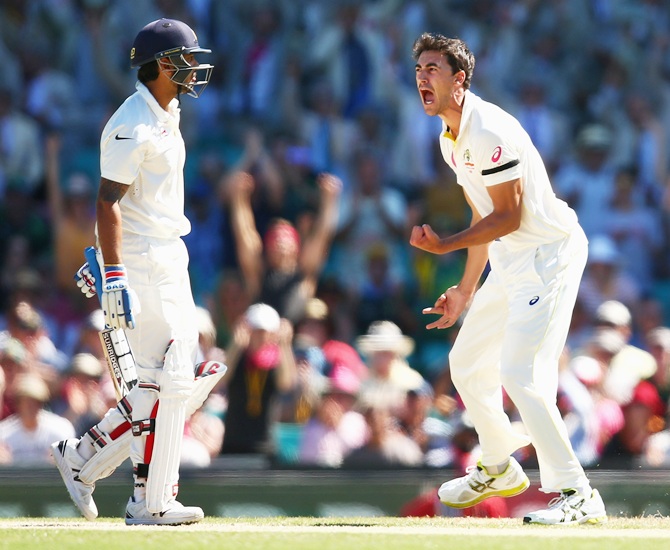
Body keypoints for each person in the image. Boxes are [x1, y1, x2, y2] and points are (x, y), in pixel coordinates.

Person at [409, 33, 607, 525]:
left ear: (460, 80)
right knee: (466, 362)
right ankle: (498, 463)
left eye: (432, 69)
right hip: (511, 257)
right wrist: (464, 289)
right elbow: (485, 213)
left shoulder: (489, 129)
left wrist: (444, 245)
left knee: (522, 374)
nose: (421, 78)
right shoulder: (449, 138)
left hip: (549, 254)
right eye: (418, 70)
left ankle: (577, 492)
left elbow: (510, 216)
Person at [50, 18, 220, 526]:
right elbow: (108, 201)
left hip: (169, 254)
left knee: (159, 382)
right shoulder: (132, 123)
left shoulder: (167, 109)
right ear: (164, 65)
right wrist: (114, 272)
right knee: (170, 376)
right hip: (144, 260)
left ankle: (84, 460)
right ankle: (151, 501)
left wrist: (103, 261)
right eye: (187, 60)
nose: (194, 69)